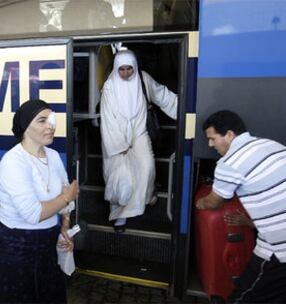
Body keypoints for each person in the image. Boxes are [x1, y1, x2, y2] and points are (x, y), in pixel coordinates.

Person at [0, 99, 79, 303]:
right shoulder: (13, 162)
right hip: (17, 249)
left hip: (47, 245)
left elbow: (67, 200)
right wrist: (66, 197)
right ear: (25, 127)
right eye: (42, 121)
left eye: (52, 120)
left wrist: (65, 226)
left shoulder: (54, 156)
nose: (51, 125)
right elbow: (33, 213)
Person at [196, 110, 286, 304]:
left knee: (244, 296)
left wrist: (198, 203)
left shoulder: (229, 162)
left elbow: (214, 201)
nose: (210, 145)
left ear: (230, 135)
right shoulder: (272, 145)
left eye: (212, 139)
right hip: (276, 237)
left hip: (278, 249)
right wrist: (252, 222)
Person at [100, 49, 178, 232]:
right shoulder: (110, 87)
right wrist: (119, 145)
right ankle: (119, 215)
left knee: (147, 165)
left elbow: (162, 95)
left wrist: (186, 107)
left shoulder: (143, 78)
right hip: (115, 137)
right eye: (121, 69)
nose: (126, 73)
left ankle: (147, 194)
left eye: (129, 69)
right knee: (119, 175)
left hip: (139, 131)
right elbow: (108, 119)